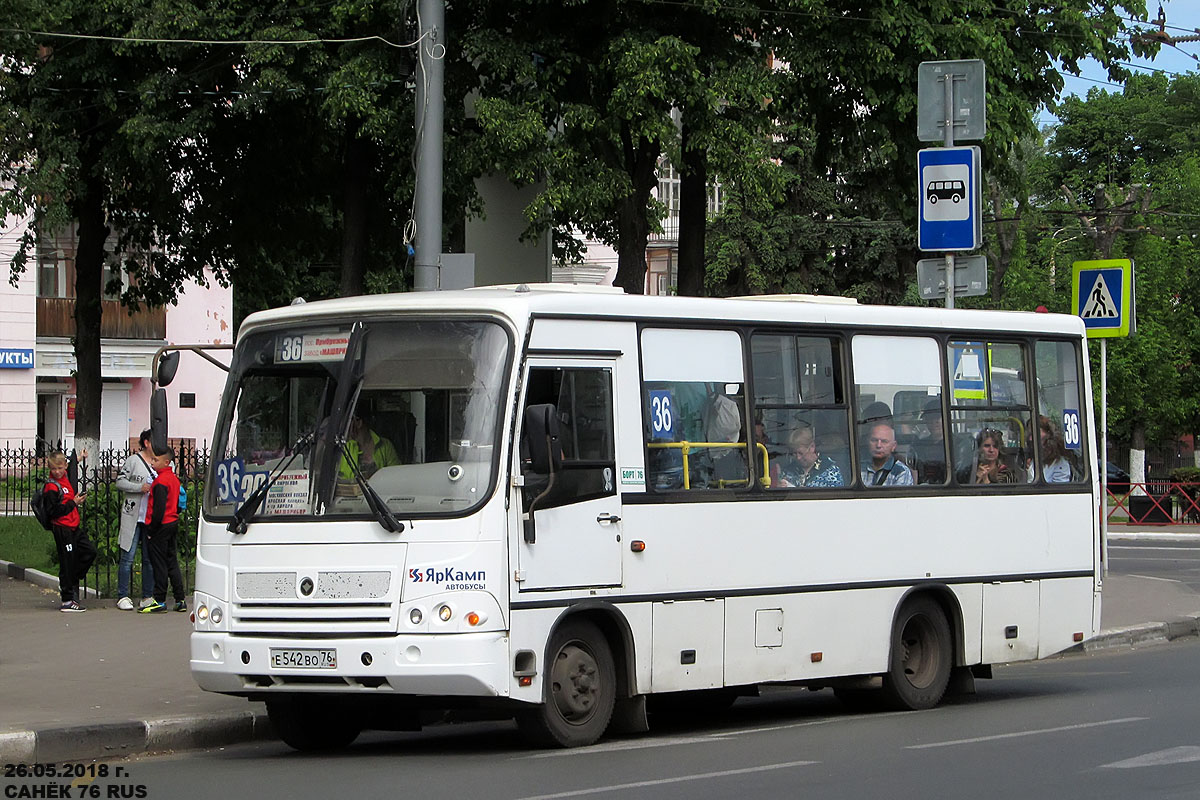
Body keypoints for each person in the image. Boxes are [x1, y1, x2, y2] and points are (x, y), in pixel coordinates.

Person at [43, 450, 95, 612]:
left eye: (59, 468)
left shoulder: (65, 478)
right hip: (62, 528)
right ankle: (67, 599)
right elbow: (53, 511)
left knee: (89, 552)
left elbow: (71, 468)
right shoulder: (51, 487)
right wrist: (73, 503)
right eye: (53, 469)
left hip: (73, 527)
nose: (57, 471)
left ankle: (72, 579)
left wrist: (78, 458)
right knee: (67, 562)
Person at [139, 443, 187, 614]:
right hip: (172, 522)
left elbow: (158, 509)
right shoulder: (173, 479)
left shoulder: (160, 482)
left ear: (166, 462)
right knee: (171, 561)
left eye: (156, 460)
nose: (152, 463)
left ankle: (159, 599)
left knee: (159, 563)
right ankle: (180, 599)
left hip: (161, 525)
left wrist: (151, 530)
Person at [113, 430, 157, 611]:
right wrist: (140, 487)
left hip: (150, 517)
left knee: (149, 559)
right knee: (128, 557)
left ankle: (147, 595)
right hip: (133, 516)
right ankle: (122, 595)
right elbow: (120, 482)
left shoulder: (160, 462)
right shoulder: (133, 461)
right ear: (146, 442)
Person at [773, 425, 844, 488]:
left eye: (800, 453)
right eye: (794, 454)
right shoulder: (788, 471)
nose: (798, 457)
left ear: (812, 447)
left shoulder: (830, 471)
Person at [339, 414, 399, 480]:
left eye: (347, 420)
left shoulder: (385, 446)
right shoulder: (343, 447)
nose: (343, 426)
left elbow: (396, 476)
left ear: (359, 423)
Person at [860, 420, 914, 486]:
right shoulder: (859, 468)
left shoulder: (901, 471)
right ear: (868, 442)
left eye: (884, 441)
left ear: (893, 446)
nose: (878, 445)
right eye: (874, 440)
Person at [910, 399, 948, 484]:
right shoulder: (919, 445)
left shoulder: (957, 445)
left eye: (938, 418)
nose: (935, 422)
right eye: (930, 418)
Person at [1029, 415, 1072, 484]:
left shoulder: (1060, 464)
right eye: (1030, 434)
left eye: (1036, 433)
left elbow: (1058, 491)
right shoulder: (1035, 459)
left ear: (1048, 434)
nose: (1030, 439)